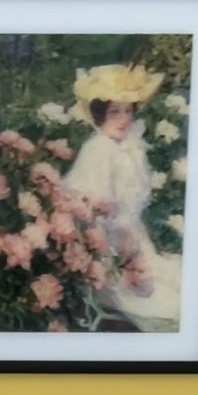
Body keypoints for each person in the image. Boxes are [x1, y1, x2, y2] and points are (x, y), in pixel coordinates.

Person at [64, 62, 181, 331]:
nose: (123, 119)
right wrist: (120, 246)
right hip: (108, 241)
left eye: (127, 111)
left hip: (134, 237)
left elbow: (134, 201)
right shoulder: (98, 150)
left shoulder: (130, 147)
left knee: (177, 281)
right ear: (99, 115)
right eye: (114, 112)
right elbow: (91, 207)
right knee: (159, 301)